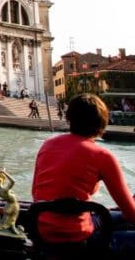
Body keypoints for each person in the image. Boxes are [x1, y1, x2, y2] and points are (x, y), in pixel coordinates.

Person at [32, 94, 135, 253]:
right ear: (102, 122)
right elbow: (131, 213)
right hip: (80, 240)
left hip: (42, 233)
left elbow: (35, 193)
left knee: (117, 217)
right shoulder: (102, 156)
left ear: (70, 118)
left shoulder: (47, 145)